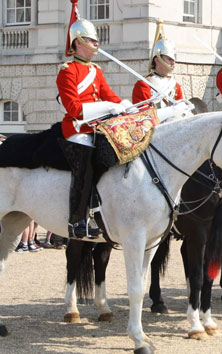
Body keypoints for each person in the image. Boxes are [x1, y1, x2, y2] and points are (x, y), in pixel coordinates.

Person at [57, 11, 126, 239]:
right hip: (77, 130)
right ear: (78, 42)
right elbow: (74, 109)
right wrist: (108, 106)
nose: (97, 44)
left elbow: (110, 97)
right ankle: (77, 221)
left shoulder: (96, 70)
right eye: (92, 40)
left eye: (96, 40)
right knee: (84, 166)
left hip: (98, 129)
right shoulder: (67, 71)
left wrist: (127, 106)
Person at [132, 20, 183, 108]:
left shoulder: (175, 86)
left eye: (173, 60)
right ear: (157, 60)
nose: (173, 62)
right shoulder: (143, 85)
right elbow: (143, 115)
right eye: (169, 59)